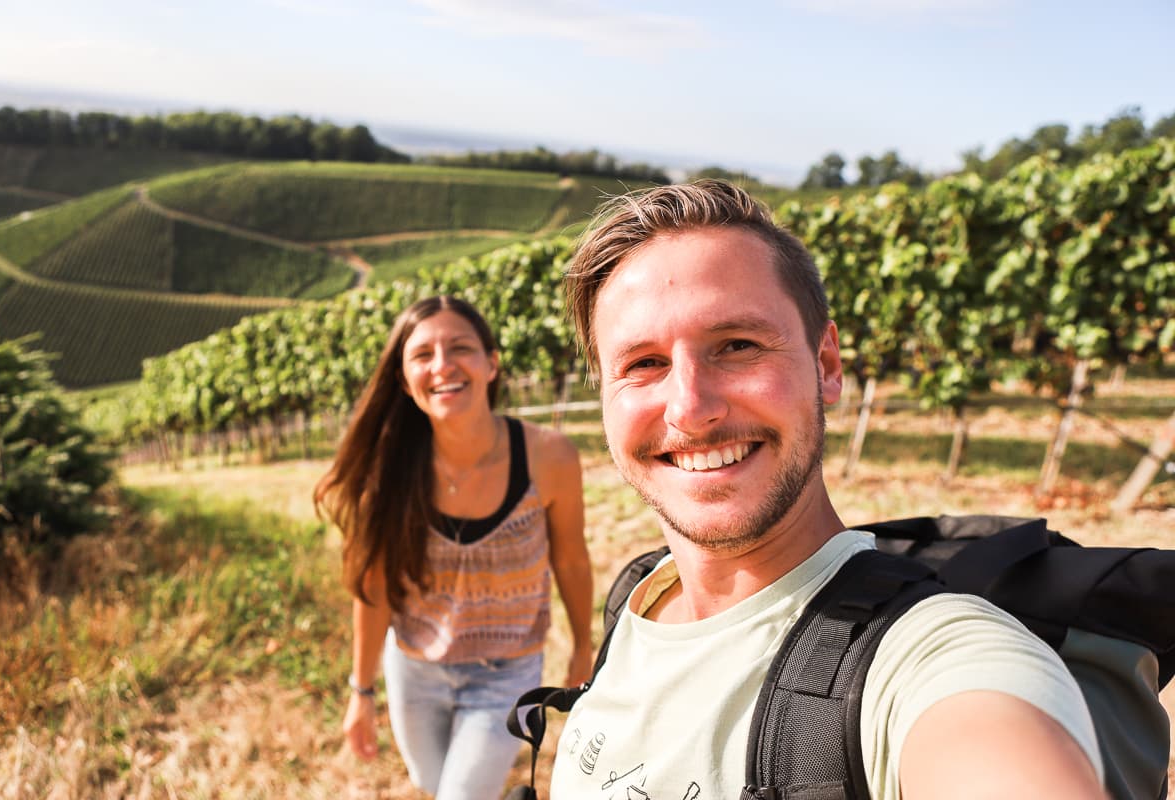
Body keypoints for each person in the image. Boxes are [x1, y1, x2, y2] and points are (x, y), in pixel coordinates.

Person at [549, 180, 1106, 799]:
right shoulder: (641, 597)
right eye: (643, 364)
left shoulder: (923, 660)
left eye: (738, 346)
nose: (690, 407)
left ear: (827, 366)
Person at [314, 295, 593, 800]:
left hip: (505, 675)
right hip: (414, 670)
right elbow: (374, 588)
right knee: (431, 783)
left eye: (460, 347)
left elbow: (571, 559)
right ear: (405, 381)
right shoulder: (389, 471)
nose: (442, 365)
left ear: (491, 364)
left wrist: (581, 646)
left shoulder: (549, 457)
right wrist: (362, 692)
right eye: (422, 354)